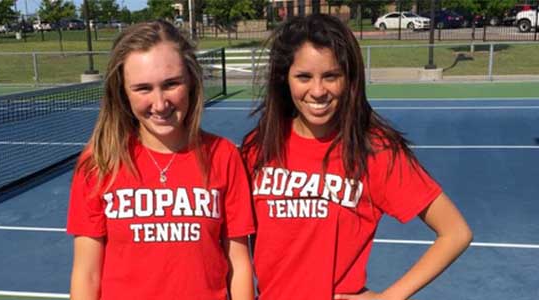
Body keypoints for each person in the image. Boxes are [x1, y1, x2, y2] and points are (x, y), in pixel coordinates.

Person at [242, 14, 472, 300]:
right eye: (304, 76)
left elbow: (455, 232)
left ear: (348, 79)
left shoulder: (374, 149)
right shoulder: (259, 147)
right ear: (284, 79)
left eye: (331, 76)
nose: (317, 91)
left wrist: (389, 297)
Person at [67, 20, 254, 300]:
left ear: (190, 81)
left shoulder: (223, 155)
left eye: (171, 84)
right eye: (143, 88)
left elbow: (238, 264)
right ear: (123, 92)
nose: (160, 103)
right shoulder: (100, 160)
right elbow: (87, 273)